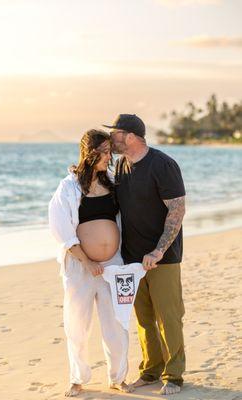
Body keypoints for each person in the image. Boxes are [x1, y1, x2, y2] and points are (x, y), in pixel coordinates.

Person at [103, 114, 186, 396]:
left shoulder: (163, 165)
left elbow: (177, 211)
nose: (111, 139)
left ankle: (173, 376)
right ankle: (151, 371)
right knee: (143, 318)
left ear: (130, 136)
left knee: (169, 317)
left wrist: (159, 250)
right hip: (132, 259)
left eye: (114, 134)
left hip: (163, 257)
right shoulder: (122, 165)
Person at [48, 129, 133, 397]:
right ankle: (78, 377)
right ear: (90, 153)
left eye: (110, 151)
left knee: (117, 323)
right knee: (77, 323)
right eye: (104, 152)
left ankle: (118, 377)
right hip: (80, 266)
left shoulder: (111, 182)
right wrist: (87, 262)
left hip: (113, 265)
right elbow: (62, 231)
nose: (109, 157)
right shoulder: (69, 187)